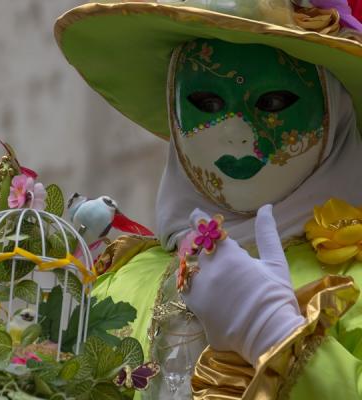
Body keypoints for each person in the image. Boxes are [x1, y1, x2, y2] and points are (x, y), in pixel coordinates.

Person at [55, 0, 362, 398]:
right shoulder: (120, 283)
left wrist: (278, 336)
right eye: (207, 104)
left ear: (334, 109)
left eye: (272, 103)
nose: (235, 131)